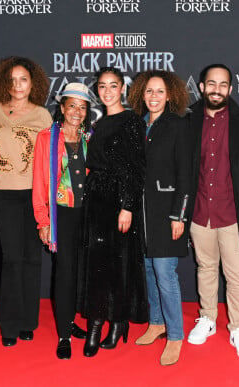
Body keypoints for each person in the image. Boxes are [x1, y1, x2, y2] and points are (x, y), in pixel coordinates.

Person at [186, 64, 239, 360]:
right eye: (211, 83)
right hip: (200, 211)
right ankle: (208, 319)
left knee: (237, 274)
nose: (217, 89)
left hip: (236, 212)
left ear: (231, 89)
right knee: (205, 268)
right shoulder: (189, 121)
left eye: (223, 85)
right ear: (201, 87)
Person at [78, 67, 148, 357]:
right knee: (98, 267)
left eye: (113, 86)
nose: (107, 91)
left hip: (119, 201)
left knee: (118, 266)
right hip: (96, 201)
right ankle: (98, 322)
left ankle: (116, 322)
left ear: (123, 89)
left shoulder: (132, 121)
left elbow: (135, 168)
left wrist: (127, 206)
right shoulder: (100, 122)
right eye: (102, 86)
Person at [0, 57, 53, 347]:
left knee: (32, 258)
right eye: (12, 79)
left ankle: (29, 322)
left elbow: (50, 161)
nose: (17, 85)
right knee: (12, 259)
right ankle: (9, 324)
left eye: (23, 79)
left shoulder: (42, 115)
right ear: (4, 83)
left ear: (33, 83)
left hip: (35, 194)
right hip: (3, 193)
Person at [127, 70, 191, 366]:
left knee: (166, 274)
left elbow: (186, 175)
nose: (154, 96)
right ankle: (157, 322)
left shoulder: (178, 126)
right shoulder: (137, 126)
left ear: (170, 96)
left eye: (160, 92)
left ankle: (175, 335)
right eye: (149, 91)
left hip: (167, 212)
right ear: (142, 94)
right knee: (149, 271)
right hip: (142, 213)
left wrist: (179, 216)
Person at [32, 83, 92, 359]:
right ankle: (64, 335)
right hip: (61, 214)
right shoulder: (47, 138)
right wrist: (43, 221)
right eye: (72, 106)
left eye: (82, 107)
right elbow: (40, 182)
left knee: (83, 272)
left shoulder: (90, 138)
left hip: (89, 215)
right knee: (65, 273)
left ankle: (71, 320)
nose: (77, 111)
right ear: (62, 108)